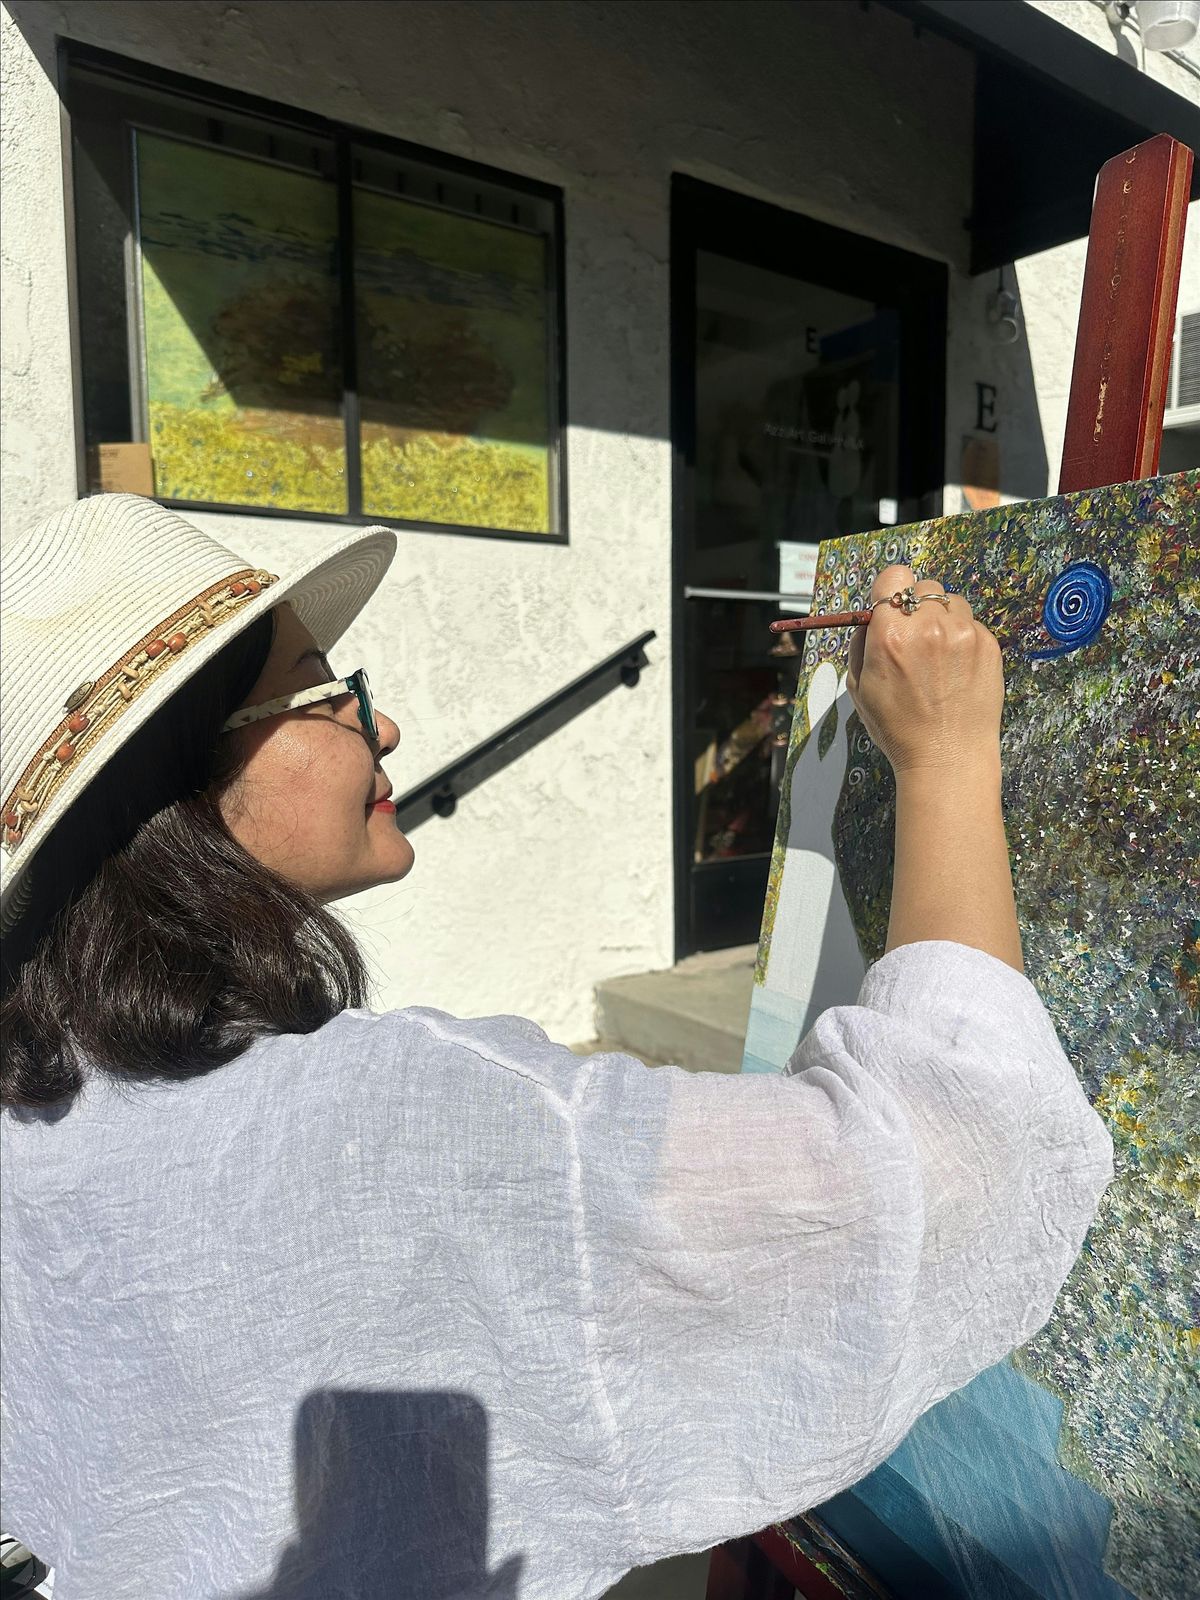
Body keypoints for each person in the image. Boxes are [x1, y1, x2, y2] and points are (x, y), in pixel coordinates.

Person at [0, 495, 1113, 1600]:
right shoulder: (401, 1129)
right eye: (328, 693)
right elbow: (953, 1159)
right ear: (183, 779)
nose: (381, 727)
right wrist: (946, 754)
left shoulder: (35, 1112)